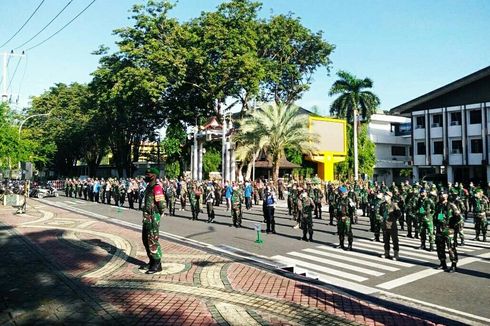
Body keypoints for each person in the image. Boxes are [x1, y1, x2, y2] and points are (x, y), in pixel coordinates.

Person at [140, 168, 165, 274]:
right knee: (145, 239)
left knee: (152, 240)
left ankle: (157, 263)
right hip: (146, 218)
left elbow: (162, 204)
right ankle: (151, 260)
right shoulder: (148, 187)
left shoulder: (157, 187)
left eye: (148, 174)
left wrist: (157, 214)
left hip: (153, 218)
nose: (146, 176)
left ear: (154, 176)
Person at [434, 192, 459, 272]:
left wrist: (454, 226)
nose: (441, 196)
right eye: (440, 195)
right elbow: (437, 216)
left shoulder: (452, 205)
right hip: (439, 229)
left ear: (446, 196)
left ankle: (453, 264)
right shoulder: (438, 205)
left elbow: (459, 218)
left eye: (443, 195)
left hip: (449, 230)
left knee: (451, 248)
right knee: (440, 247)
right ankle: (443, 263)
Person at [380, 192, 401, 260]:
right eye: (385, 195)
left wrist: (393, 217)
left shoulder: (394, 204)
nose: (385, 196)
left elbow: (399, 214)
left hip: (392, 225)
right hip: (385, 225)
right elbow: (381, 213)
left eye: (387, 195)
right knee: (386, 240)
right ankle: (386, 253)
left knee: (394, 240)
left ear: (390, 196)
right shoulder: (382, 204)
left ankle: (396, 254)